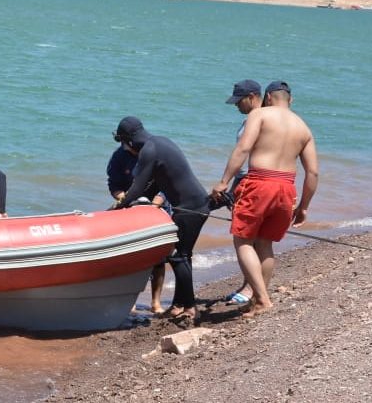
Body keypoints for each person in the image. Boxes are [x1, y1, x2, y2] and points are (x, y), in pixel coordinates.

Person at [210, 80, 319, 318]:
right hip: (286, 187)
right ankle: (258, 300)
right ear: (290, 100)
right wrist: (304, 207)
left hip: (259, 182)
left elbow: (243, 148)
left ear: (268, 97)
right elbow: (312, 173)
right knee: (265, 243)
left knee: (243, 241)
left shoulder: (259, 114)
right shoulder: (303, 127)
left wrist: (224, 181)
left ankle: (262, 300)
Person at [112, 116, 210, 322]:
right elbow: (154, 184)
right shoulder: (160, 142)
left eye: (123, 142)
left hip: (190, 209)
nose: (124, 147)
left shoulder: (149, 150)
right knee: (183, 255)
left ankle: (190, 308)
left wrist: (120, 206)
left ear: (129, 140)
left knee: (178, 257)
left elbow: (137, 188)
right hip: (196, 204)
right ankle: (178, 305)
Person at [108, 141, 170, 314]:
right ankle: (131, 302)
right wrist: (124, 198)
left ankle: (156, 302)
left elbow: (167, 183)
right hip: (130, 207)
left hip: (157, 207)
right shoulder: (119, 156)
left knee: (159, 259)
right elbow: (114, 184)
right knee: (131, 257)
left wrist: (155, 204)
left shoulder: (153, 152)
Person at [222, 79, 264, 305]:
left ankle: (251, 289)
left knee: (248, 237)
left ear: (252, 97)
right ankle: (249, 284)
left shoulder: (259, 119)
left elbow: (245, 153)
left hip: (250, 180)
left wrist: (227, 182)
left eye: (239, 101)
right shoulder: (251, 119)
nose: (237, 106)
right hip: (244, 180)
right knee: (249, 237)